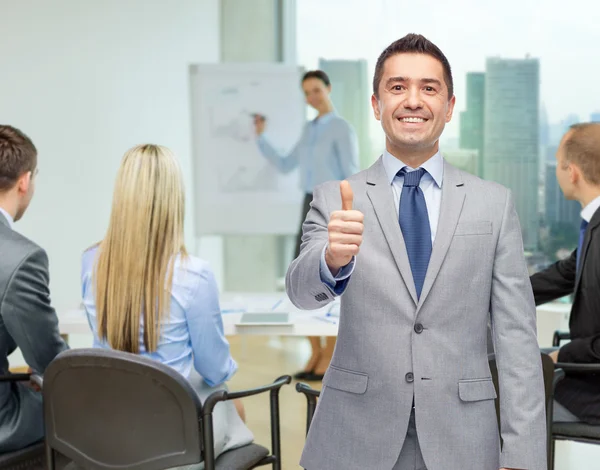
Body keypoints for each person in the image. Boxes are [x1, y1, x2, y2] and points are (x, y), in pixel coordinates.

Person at [286, 34, 546, 470]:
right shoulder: (336, 197)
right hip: (354, 437)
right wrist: (330, 259)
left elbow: (516, 336)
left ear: (448, 106)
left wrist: (523, 455)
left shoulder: (493, 203)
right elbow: (300, 292)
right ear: (375, 104)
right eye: (397, 87)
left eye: (429, 88)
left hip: (462, 438)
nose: (413, 100)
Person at [80, 144, 253, 467]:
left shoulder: (91, 262)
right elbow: (214, 370)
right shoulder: (193, 275)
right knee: (233, 407)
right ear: (174, 200)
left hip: (106, 429)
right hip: (171, 438)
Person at [254, 70, 359, 381]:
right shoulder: (308, 129)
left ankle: (331, 353)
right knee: (304, 274)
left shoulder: (342, 128)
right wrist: (261, 137)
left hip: (335, 205)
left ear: (328, 89)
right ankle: (316, 349)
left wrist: (349, 213)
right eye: (307, 92)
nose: (312, 97)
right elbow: (287, 163)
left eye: (316, 90)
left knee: (335, 275)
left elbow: (351, 172)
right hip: (309, 202)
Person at [0, 124, 68, 453]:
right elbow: (50, 360)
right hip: (4, 422)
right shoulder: (21, 257)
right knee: (88, 411)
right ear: (24, 181)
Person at [531, 122, 600, 424]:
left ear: (572, 172)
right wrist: (497, 293)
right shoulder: (593, 226)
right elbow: (565, 272)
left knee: (499, 405)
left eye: (558, 164)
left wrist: (564, 355)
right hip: (586, 373)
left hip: (591, 389)